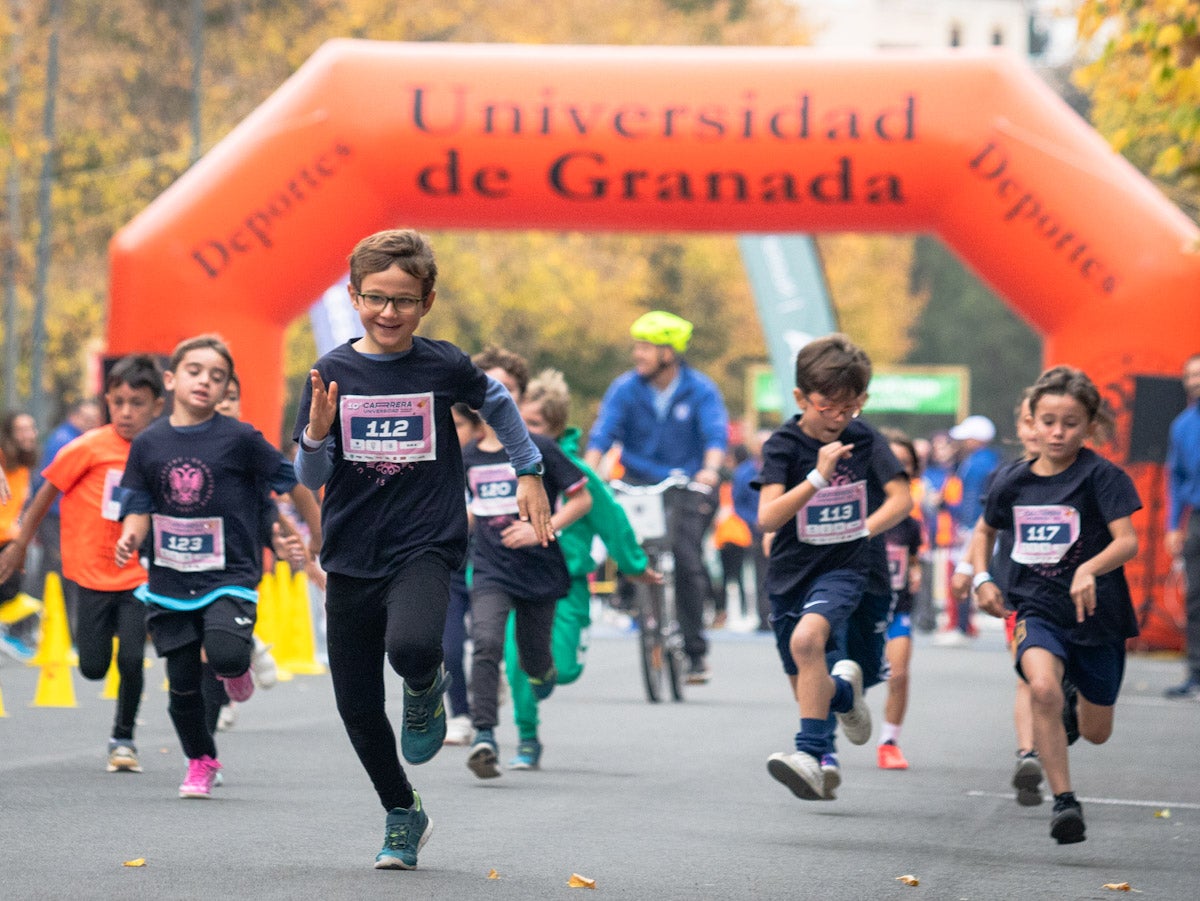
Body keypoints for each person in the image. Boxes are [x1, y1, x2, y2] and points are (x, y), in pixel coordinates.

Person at [291, 229, 554, 870]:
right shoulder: (331, 372)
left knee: (411, 645)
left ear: (427, 301)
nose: (388, 312)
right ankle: (402, 811)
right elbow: (308, 475)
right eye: (375, 298)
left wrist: (529, 468)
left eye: (403, 301)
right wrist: (316, 435)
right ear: (354, 297)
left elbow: (496, 400)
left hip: (426, 541)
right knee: (355, 703)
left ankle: (425, 681)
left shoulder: (441, 365)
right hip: (351, 549)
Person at [115, 335, 300, 801]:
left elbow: (291, 481)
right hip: (169, 578)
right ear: (172, 380)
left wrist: (313, 534)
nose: (205, 381)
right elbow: (137, 504)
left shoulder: (240, 439)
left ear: (226, 390)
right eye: (196, 371)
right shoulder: (149, 443)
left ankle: (236, 665)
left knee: (225, 653)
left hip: (229, 575)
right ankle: (200, 759)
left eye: (217, 377)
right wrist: (131, 535)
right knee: (181, 689)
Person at [971, 365, 1140, 844]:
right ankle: (1065, 802)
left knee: (1096, 730)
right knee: (1041, 687)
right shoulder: (1013, 481)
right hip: (1036, 608)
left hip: (1097, 615)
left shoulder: (1103, 477)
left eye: (1069, 422)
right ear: (1033, 421)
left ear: (1089, 426)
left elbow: (1126, 542)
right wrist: (983, 577)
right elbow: (985, 530)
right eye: (1048, 421)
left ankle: (1070, 701)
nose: (1058, 432)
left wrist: (1088, 569)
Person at [756, 334, 912, 801]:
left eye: (850, 408)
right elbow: (767, 517)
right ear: (802, 397)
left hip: (845, 568)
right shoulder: (783, 445)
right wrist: (817, 477)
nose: (839, 418)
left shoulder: (865, 439)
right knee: (804, 673)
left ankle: (811, 754)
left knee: (809, 641)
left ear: (862, 401)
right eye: (827, 406)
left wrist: (864, 529)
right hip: (790, 572)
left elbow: (902, 499)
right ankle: (845, 697)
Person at [0, 356, 163, 772]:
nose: (126, 412)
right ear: (107, 400)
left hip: (139, 573)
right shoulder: (88, 447)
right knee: (92, 666)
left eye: (137, 403)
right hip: (91, 573)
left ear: (156, 405)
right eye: (119, 402)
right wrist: (19, 545)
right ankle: (102, 643)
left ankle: (123, 738)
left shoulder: (160, 449)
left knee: (130, 658)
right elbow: (44, 493)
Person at [507, 367, 659, 770]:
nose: (528, 433)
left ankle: (553, 671)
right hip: (514, 580)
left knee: (564, 669)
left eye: (536, 425)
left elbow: (613, 523)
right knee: (517, 660)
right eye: (521, 423)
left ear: (555, 429)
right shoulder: (504, 468)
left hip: (565, 584)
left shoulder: (578, 474)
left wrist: (634, 566)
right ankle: (526, 737)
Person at [462, 348, 592, 778]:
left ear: (517, 396)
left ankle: (543, 672)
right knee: (486, 643)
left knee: (534, 661)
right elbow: (464, 510)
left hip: (539, 570)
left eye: (508, 388)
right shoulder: (466, 457)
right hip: (490, 569)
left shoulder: (539, 447)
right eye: (488, 387)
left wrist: (544, 526)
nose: (497, 395)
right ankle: (484, 735)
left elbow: (583, 497)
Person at [584, 310, 728, 684]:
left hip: (686, 485)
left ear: (668, 352)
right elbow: (602, 436)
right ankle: (630, 596)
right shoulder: (624, 389)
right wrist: (586, 472)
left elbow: (715, 437)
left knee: (686, 557)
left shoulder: (701, 389)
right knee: (626, 540)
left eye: (645, 347)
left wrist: (709, 472)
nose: (638, 354)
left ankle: (696, 654)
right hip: (638, 482)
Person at [953, 390, 1045, 805]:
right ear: (1020, 428)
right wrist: (973, 571)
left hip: (1072, 595)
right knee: (1028, 673)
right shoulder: (1005, 476)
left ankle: (1064, 715)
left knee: (1065, 691)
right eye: (1029, 422)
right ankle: (1028, 754)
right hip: (1021, 591)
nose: (1038, 431)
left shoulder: (1089, 477)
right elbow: (983, 528)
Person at [25, 398, 103, 638]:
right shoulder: (67, 442)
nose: (91, 425)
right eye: (87, 419)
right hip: (56, 518)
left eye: (95, 420)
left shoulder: (71, 440)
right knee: (54, 570)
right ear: (74, 416)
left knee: (58, 571)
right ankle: (30, 625)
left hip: (62, 518)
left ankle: (56, 628)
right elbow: (49, 484)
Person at [876, 428, 923, 771]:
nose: (898, 470)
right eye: (892, 462)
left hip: (896, 608)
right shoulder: (858, 512)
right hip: (858, 608)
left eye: (906, 464)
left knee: (899, 674)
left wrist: (916, 569)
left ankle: (889, 741)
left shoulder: (910, 524)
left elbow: (913, 557)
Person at [938, 414, 1000, 644]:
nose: (962, 442)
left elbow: (974, 499)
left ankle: (961, 628)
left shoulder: (977, 463)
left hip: (974, 526)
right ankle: (964, 625)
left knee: (963, 573)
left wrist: (967, 524)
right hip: (978, 524)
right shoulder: (986, 459)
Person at [442, 403, 484, 747]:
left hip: (490, 566)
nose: (452, 433)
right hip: (451, 569)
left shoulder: (486, 459)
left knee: (489, 642)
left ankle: (489, 689)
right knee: (449, 646)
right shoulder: (435, 463)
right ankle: (459, 714)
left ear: (476, 428)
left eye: (458, 424)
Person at [1164, 352, 1200, 698]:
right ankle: (1196, 674)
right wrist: (1173, 525)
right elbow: (1174, 478)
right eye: (1190, 376)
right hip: (1198, 521)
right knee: (1195, 598)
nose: (1196, 381)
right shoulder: (1182, 425)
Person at [0, 410, 40, 660]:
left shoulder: (24, 466)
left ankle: (11, 632)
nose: (29, 434)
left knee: (13, 587)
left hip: (9, 538)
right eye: (22, 429)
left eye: (31, 428)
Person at [732, 430, 772, 632]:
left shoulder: (782, 467)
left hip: (781, 532)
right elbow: (738, 504)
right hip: (756, 534)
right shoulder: (743, 473)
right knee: (761, 576)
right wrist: (754, 521)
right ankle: (764, 617)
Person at [713, 445, 752, 628]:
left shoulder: (726, 489)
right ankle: (740, 613)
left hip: (727, 537)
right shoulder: (736, 486)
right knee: (738, 577)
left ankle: (727, 613)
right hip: (738, 536)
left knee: (727, 577)